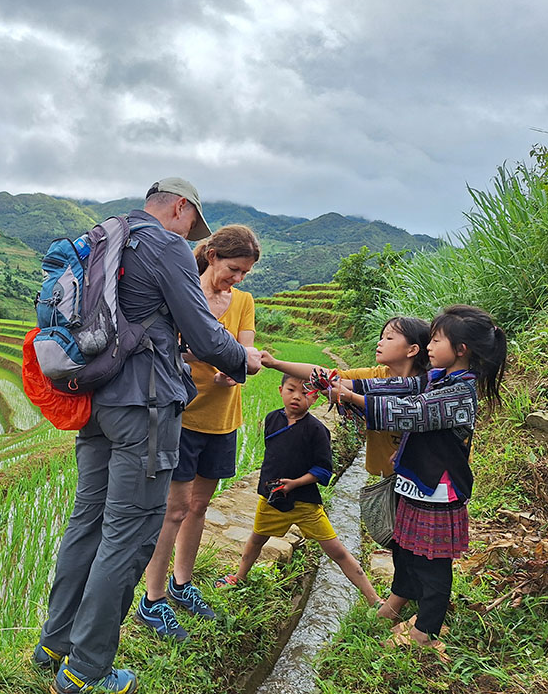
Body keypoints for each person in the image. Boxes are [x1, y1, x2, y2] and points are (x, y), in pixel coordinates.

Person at [33, 178, 264, 694]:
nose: (191, 236)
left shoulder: (104, 235)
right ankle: (87, 669)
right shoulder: (165, 245)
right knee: (130, 532)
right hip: (146, 408)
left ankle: (54, 644)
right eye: (191, 224)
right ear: (180, 207)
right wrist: (241, 359)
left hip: (96, 402)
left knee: (87, 522)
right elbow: (205, 333)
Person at [329, 305, 507, 657]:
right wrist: (344, 384)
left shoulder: (460, 393)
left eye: (436, 340)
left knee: (432, 563)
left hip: (438, 490)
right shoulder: (438, 378)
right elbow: (396, 387)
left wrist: (350, 397)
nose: (429, 346)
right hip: (417, 481)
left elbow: (412, 412)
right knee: (407, 552)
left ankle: (426, 629)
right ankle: (401, 604)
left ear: (461, 350)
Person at [137, 225, 260, 640]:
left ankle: (181, 584)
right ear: (212, 257)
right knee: (174, 509)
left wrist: (235, 369)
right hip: (183, 415)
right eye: (233, 268)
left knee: (199, 507)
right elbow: (168, 347)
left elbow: (247, 355)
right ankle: (152, 602)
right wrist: (216, 354)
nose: (238, 278)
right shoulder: (184, 293)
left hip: (223, 417)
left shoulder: (243, 302)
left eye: (244, 272)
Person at [214, 374, 383, 611]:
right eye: (291, 390)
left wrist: (295, 483)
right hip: (273, 499)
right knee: (256, 539)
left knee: (337, 551)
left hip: (305, 504)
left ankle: (374, 599)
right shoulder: (272, 419)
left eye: (305, 393)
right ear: (280, 390)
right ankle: (239, 576)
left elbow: (323, 471)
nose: (297, 397)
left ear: (314, 397)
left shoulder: (317, 430)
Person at [260, 316, 431, 476]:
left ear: (412, 350)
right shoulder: (374, 375)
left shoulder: (430, 386)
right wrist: (275, 363)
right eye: (382, 337)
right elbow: (326, 375)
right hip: (384, 475)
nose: (380, 343)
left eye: (389, 338)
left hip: (418, 477)